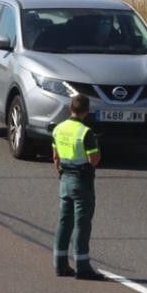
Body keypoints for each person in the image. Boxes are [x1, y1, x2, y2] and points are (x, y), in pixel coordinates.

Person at [52, 93, 103, 280]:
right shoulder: (86, 133)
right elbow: (94, 160)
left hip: (64, 179)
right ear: (87, 111)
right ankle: (82, 266)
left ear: (70, 108)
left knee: (64, 221)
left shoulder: (58, 129)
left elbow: (55, 157)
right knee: (82, 224)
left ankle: (60, 264)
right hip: (82, 181)